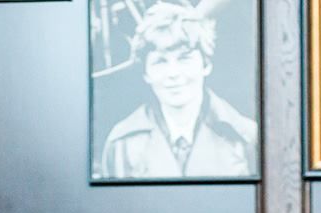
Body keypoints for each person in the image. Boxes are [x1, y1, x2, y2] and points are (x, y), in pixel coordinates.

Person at [100, 2, 257, 180]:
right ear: (146, 73)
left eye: (184, 59)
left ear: (206, 64)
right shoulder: (121, 144)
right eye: (160, 62)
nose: (173, 74)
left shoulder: (246, 137)